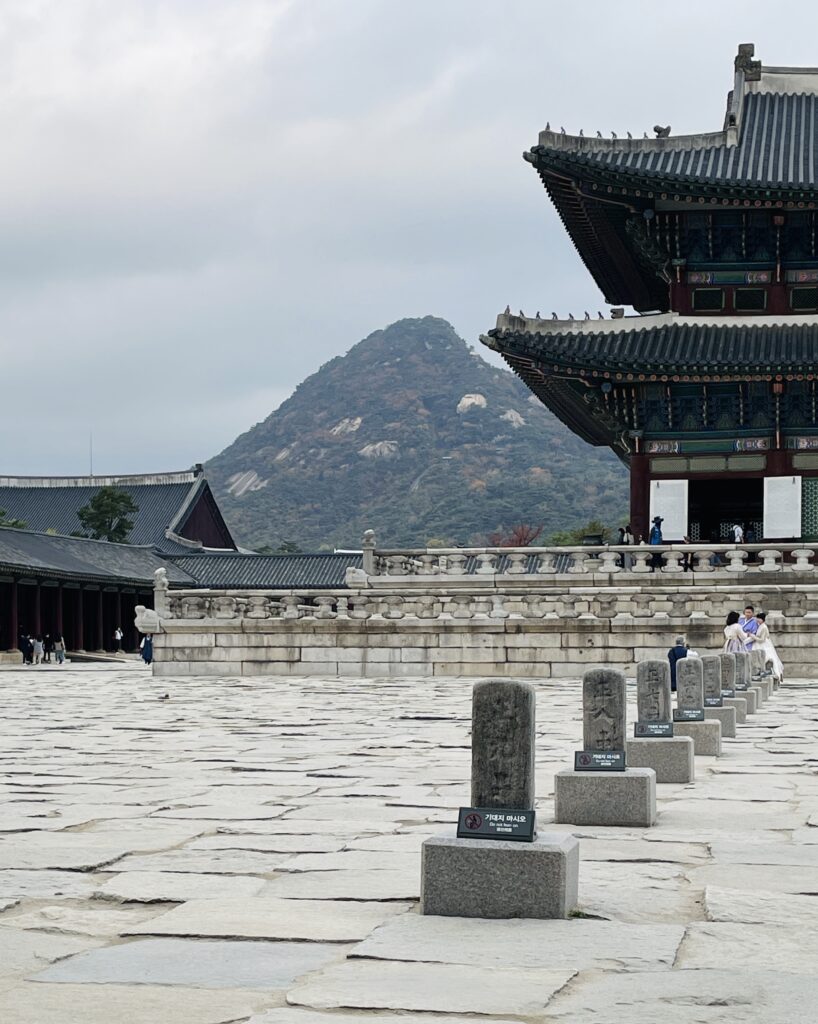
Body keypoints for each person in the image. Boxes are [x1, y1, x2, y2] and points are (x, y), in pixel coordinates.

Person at [754, 613, 784, 683]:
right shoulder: (760, 626)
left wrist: (753, 637)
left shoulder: (764, 627)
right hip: (759, 644)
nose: (757, 620)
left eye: (759, 618)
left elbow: (762, 640)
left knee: (768, 657)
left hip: (763, 644)